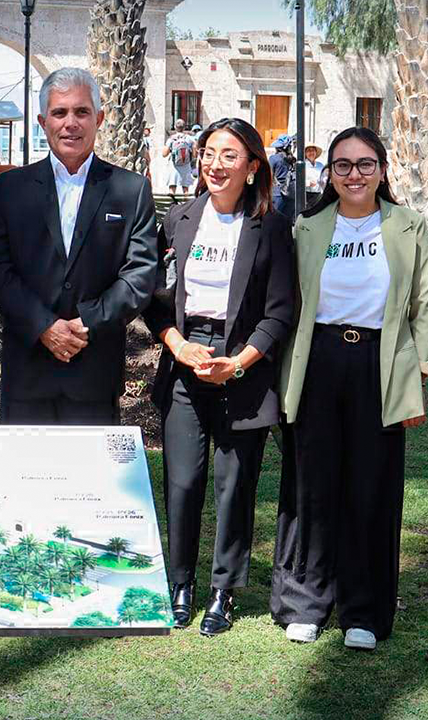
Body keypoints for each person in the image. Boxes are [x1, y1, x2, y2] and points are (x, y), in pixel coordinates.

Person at [271, 126, 428, 650]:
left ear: (382, 170)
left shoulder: (408, 226)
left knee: (372, 486)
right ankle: (305, 602)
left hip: (379, 364)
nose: (354, 175)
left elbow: (425, 306)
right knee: (312, 485)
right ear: (329, 174)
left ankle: (363, 611)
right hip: (318, 361)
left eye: (365, 164)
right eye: (342, 165)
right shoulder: (307, 227)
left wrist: (420, 373)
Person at [144, 118, 294, 637]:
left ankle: (223, 591)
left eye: (229, 155)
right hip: (184, 361)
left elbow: (280, 310)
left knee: (234, 487)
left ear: (252, 166)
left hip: (243, 364)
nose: (214, 164)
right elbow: (153, 299)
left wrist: (239, 362)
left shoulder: (271, 227)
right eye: (208, 152)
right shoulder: (179, 219)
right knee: (183, 480)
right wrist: (179, 346)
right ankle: (180, 583)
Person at [0, 67, 157, 425]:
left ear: (99, 119)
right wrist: (44, 326)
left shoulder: (132, 190)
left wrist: (87, 322)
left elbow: (140, 274)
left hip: (95, 373)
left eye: (82, 112)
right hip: (27, 371)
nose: (70, 123)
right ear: (43, 122)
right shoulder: (7, 190)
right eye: (59, 112)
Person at [164, 118, 196, 195]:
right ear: (184, 127)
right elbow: (194, 154)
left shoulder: (171, 138)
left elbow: (164, 154)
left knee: (172, 186)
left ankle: (172, 201)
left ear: (175, 127)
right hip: (186, 165)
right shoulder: (189, 138)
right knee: (185, 188)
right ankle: (186, 201)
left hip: (174, 165)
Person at [269, 135, 296, 222]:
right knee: (288, 222)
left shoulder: (273, 158)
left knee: (274, 221)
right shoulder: (293, 159)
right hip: (291, 193)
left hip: (277, 194)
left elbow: (269, 176)